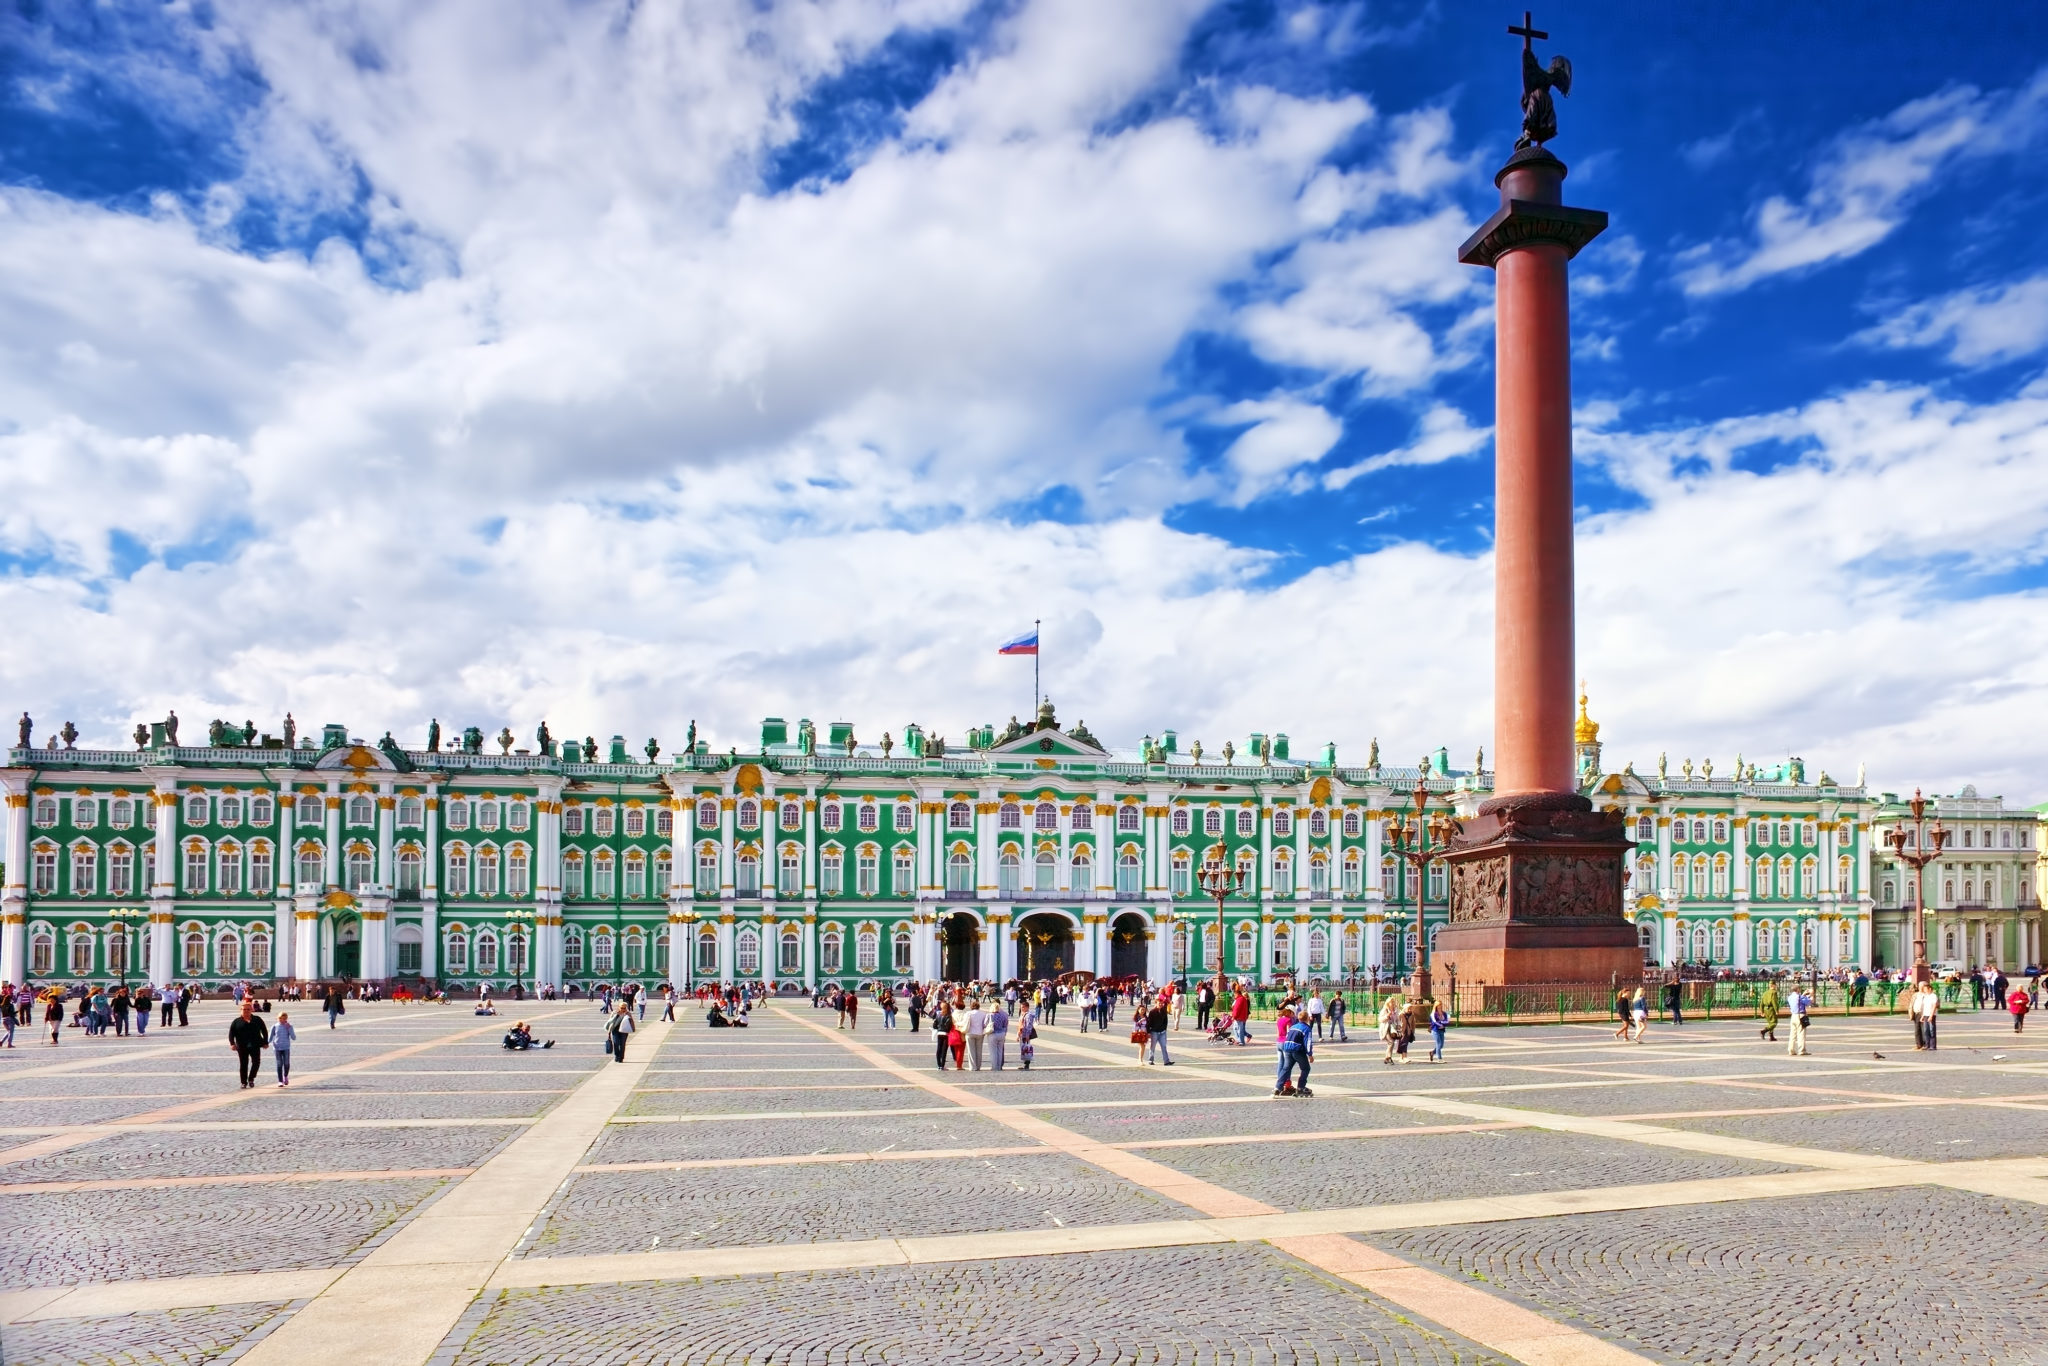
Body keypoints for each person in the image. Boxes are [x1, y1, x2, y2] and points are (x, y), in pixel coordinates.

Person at [228, 998, 269, 1089]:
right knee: (243, 1064)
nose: (246, 1011)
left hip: (255, 1044)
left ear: (251, 1010)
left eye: (248, 1009)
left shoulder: (257, 1019)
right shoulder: (236, 1021)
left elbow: (264, 1031)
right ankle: (243, 1082)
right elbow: (231, 1033)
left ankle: (251, 1078)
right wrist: (232, 1043)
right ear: (241, 1010)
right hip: (242, 1046)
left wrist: (265, 1042)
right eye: (244, 1009)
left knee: (256, 1062)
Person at [1274, 1010, 1313, 1097]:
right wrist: (1310, 1054)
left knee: (1286, 1068)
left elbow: (1288, 1036)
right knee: (1306, 1068)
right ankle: (1300, 1088)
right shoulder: (1306, 1028)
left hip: (1287, 1048)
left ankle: (1277, 1088)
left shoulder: (1293, 1026)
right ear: (1307, 1019)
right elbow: (1308, 1042)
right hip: (1297, 1050)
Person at [1144, 996, 1173, 1066]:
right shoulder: (1152, 1012)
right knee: (1153, 1046)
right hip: (1154, 1032)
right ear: (1156, 1004)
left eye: (1161, 1003)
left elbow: (1166, 1021)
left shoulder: (1164, 1011)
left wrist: (1164, 1029)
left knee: (1164, 1046)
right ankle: (1150, 1060)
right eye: (1159, 1003)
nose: (1160, 1004)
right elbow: (1148, 1023)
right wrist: (1148, 1032)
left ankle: (1166, 1061)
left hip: (1162, 1032)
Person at [272, 1011, 297, 1085]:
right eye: (280, 1018)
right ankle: (280, 1081)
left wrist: (289, 1029)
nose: (282, 1020)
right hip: (277, 1047)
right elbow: (270, 1036)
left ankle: (285, 1076)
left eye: (284, 1018)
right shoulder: (275, 1026)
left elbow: (293, 1037)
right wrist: (266, 1043)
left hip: (286, 1047)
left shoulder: (289, 1026)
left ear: (286, 1019)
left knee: (286, 1063)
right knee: (279, 1064)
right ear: (278, 1018)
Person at [1787, 985, 1810, 1057]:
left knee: (1792, 1034)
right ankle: (1801, 1050)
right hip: (1800, 1015)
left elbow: (1798, 1001)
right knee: (1801, 1034)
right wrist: (1809, 995)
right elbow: (1808, 1002)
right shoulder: (1800, 997)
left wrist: (1803, 994)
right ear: (1797, 989)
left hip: (1793, 1016)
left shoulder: (1790, 997)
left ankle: (1791, 1050)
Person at [966, 999, 989, 1070]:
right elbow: (985, 1024)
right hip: (980, 1033)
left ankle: (973, 1067)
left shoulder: (968, 1013)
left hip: (970, 1033)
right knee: (979, 1050)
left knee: (971, 1050)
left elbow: (965, 1022)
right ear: (978, 1006)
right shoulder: (983, 1013)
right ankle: (978, 1066)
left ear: (971, 1007)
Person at [1427, 998, 1449, 1062]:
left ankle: (1432, 1053)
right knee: (1438, 1044)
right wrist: (1440, 1025)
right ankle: (1439, 1058)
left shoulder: (1444, 1013)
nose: (1440, 1006)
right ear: (1436, 1006)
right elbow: (1434, 1022)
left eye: (1441, 1005)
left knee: (1441, 1045)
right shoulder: (1433, 1014)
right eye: (1438, 1005)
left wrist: (1443, 1025)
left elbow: (1447, 1021)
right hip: (1435, 1030)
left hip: (1442, 1030)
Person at [989, 1000, 1009, 1069]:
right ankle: (999, 1066)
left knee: (993, 1051)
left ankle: (994, 1066)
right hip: (1002, 1033)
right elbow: (1005, 1024)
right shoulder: (1004, 1014)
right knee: (1000, 1051)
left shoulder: (990, 1015)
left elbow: (985, 1024)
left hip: (993, 1033)